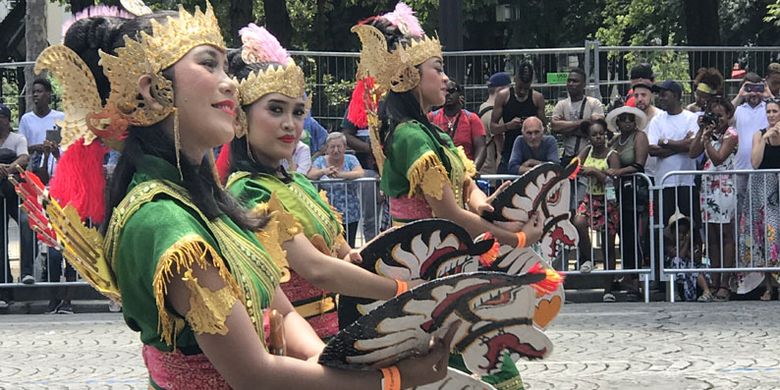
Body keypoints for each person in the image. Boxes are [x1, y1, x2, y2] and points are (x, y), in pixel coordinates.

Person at [40, 5, 452, 388]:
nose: (229, 83)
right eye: (208, 63)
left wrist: (327, 360)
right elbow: (254, 373)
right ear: (152, 90)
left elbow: (282, 311)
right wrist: (390, 379)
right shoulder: (163, 220)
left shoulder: (213, 203)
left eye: (226, 66)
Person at [352, 8, 542, 389]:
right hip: (426, 268)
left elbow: (465, 180)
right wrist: (517, 239)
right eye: (436, 69)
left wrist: (481, 201)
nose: (445, 77)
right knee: (486, 363)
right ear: (409, 77)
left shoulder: (432, 132)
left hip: (448, 260)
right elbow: (447, 212)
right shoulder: (410, 136)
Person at [223, 25, 418, 339]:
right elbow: (317, 269)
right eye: (275, 109)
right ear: (240, 119)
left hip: (333, 332)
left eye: (298, 112)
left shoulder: (298, 183)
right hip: (293, 345)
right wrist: (404, 290)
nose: (290, 124)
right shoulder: (248, 190)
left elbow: (342, 254)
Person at [688, 97, 738, 302]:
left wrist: (708, 140)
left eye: (720, 116)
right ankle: (715, 281)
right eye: (713, 115)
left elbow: (719, 158)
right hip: (708, 187)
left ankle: (725, 282)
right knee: (711, 235)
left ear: (728, 116)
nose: (717, 119)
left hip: (725, 186)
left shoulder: (731, 134)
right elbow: (693, 153)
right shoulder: (709, 133)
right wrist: (702, 131)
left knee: (725, 233)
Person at [572, 120, 620, 301]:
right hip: (590, 197)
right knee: (578, 221)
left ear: (606, 134)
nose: (598, 137)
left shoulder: (612, 155)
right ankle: (589, 257)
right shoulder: (587, 151)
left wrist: (595, 172)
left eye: (601, 133)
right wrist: (583, 170)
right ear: (589, 138)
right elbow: (575, 166)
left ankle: (608, 289)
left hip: (608, 201)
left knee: (608, 244)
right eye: (594, 134)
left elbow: (613, 180)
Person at [605, 105, 648, 298]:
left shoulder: (639, 137)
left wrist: (619, 172)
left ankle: (635, 279)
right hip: (618, 193)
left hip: (635, 189)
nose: (628, 123)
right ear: (618, 122)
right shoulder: (615, 140)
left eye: (631, 119)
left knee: (634, 236)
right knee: (623, 234)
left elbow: (639, 164)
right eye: (624, 119)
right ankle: (625, 274)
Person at [646, 80, 700, 235]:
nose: (660, 98)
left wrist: (666, 142)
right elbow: (652, 150)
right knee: (663, 225)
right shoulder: (657, 120)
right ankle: (665, 258)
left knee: (691, 224)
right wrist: (682, 144)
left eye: (664, 94)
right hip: (664, 182)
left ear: (676, 95)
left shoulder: (691, 118)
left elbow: (692, 147)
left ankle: (692, 257)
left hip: (687, 181)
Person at [739, 99, 780, 299]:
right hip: (761, 189)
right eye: (769, 111)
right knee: (764, 235)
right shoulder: (759, 134)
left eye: (775, 111)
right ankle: (768, 286)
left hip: (777, 187)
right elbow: (755, 163)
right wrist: (765, 139)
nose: (772, 115)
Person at [551, 67, 605, 208]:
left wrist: (568, 129)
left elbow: (596, 128)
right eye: (569, 81)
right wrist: (582, 123)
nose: (571, 84)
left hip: (588, 160)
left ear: (584, 84)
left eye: (575, 81)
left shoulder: (594, 104)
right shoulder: (562, 105)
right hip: (568, 158)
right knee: (566, 202)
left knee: (582, 203)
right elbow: (555, 127)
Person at [0, 102, 33, 307]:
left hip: (14, 192)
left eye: (2, 117)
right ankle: (4, 286)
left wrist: (8, 168)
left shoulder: (17, 138)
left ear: (8, 119)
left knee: (27, 225)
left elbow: (24, 157)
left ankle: (27, 272)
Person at [490, 62, 546, 174]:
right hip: (509, 148)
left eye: (526, 88)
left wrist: (532, 125)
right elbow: (493, 127)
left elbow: (544, 127)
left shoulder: (537, 98)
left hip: (531, 149)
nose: (522, 91)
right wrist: (507, 126)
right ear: (515, 79)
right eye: (520, 87)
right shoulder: (503, 96)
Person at [309, 132, 364, 248]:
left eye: (339, 146)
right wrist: (324, 171)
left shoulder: (351, 159)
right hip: (328, 213)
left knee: (349, 245)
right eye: (332, 147)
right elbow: (311, 174)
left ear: (344, 147)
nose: (336, 150)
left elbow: (360, 172)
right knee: (331, 246)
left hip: (350, 212)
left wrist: (341, 175)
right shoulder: (320, 161)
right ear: (327, 149)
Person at [428, 81, 486, 161]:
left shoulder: (472, 118)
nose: (448, 94)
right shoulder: (431, 117)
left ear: (459, 94)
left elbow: (481, 147)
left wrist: (473, 170)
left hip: (466, 168)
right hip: (440, 168)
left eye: (451, 91)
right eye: (444, 91)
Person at [18, 78, 65, 170]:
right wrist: (35, 148)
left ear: (48, 94)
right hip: (34, 166)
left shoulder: (61, 117)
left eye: (39, 91)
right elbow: (21, 149)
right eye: (34, 92)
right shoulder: (26, 119)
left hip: (56, 165)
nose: (35, 94)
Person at [476, 72, 511, 174]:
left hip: (483, 169)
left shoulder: (482, 108)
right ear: (501, 90)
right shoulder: (494, 115)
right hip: (492, 173)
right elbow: (501, 151)